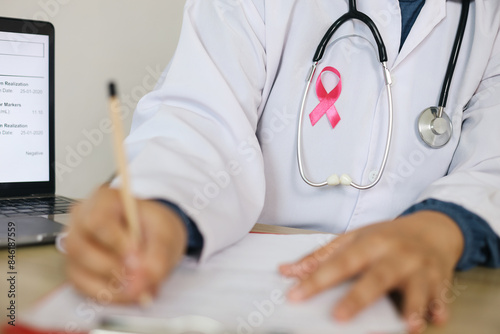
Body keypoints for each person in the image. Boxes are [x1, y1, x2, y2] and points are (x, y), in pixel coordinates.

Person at [65, 0, 500, 333]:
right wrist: (161, 205)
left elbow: (492, 162)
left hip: (424, 301)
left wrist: (444, 227)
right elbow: (202, 118)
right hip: (255, 299)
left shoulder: (488, 17)